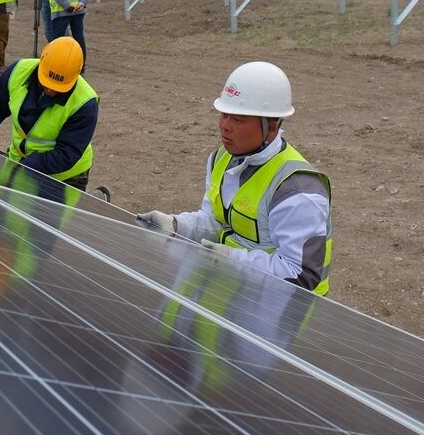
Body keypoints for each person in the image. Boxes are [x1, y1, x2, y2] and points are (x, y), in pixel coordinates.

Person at [137, 61, 332, 295]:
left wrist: (231, 260)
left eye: (238, 119)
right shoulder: (222, 158)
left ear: (270, 127)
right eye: (224, 114)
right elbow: (216, 220)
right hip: (238, 292)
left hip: (281, 315)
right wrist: (178, 226)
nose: (225, 126)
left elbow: (298, 275)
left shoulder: (297, 190)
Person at [0, 36, 99, 191]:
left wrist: (25, 167)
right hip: (21, 164)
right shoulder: (18, 72)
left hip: (65, 176)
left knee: (46, 216)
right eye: (47, 83)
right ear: (41, 62)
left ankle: (91, 201)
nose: (51, 90)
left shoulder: (85, 103)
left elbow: (66, 154)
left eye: (58, 87)